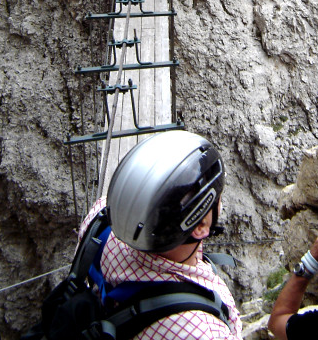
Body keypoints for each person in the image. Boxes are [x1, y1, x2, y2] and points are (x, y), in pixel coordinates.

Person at [79, 130, 242, 340]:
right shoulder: (204, 331)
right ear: (200, 226)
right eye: (216, 199)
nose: (221, 202)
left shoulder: (100, 219)